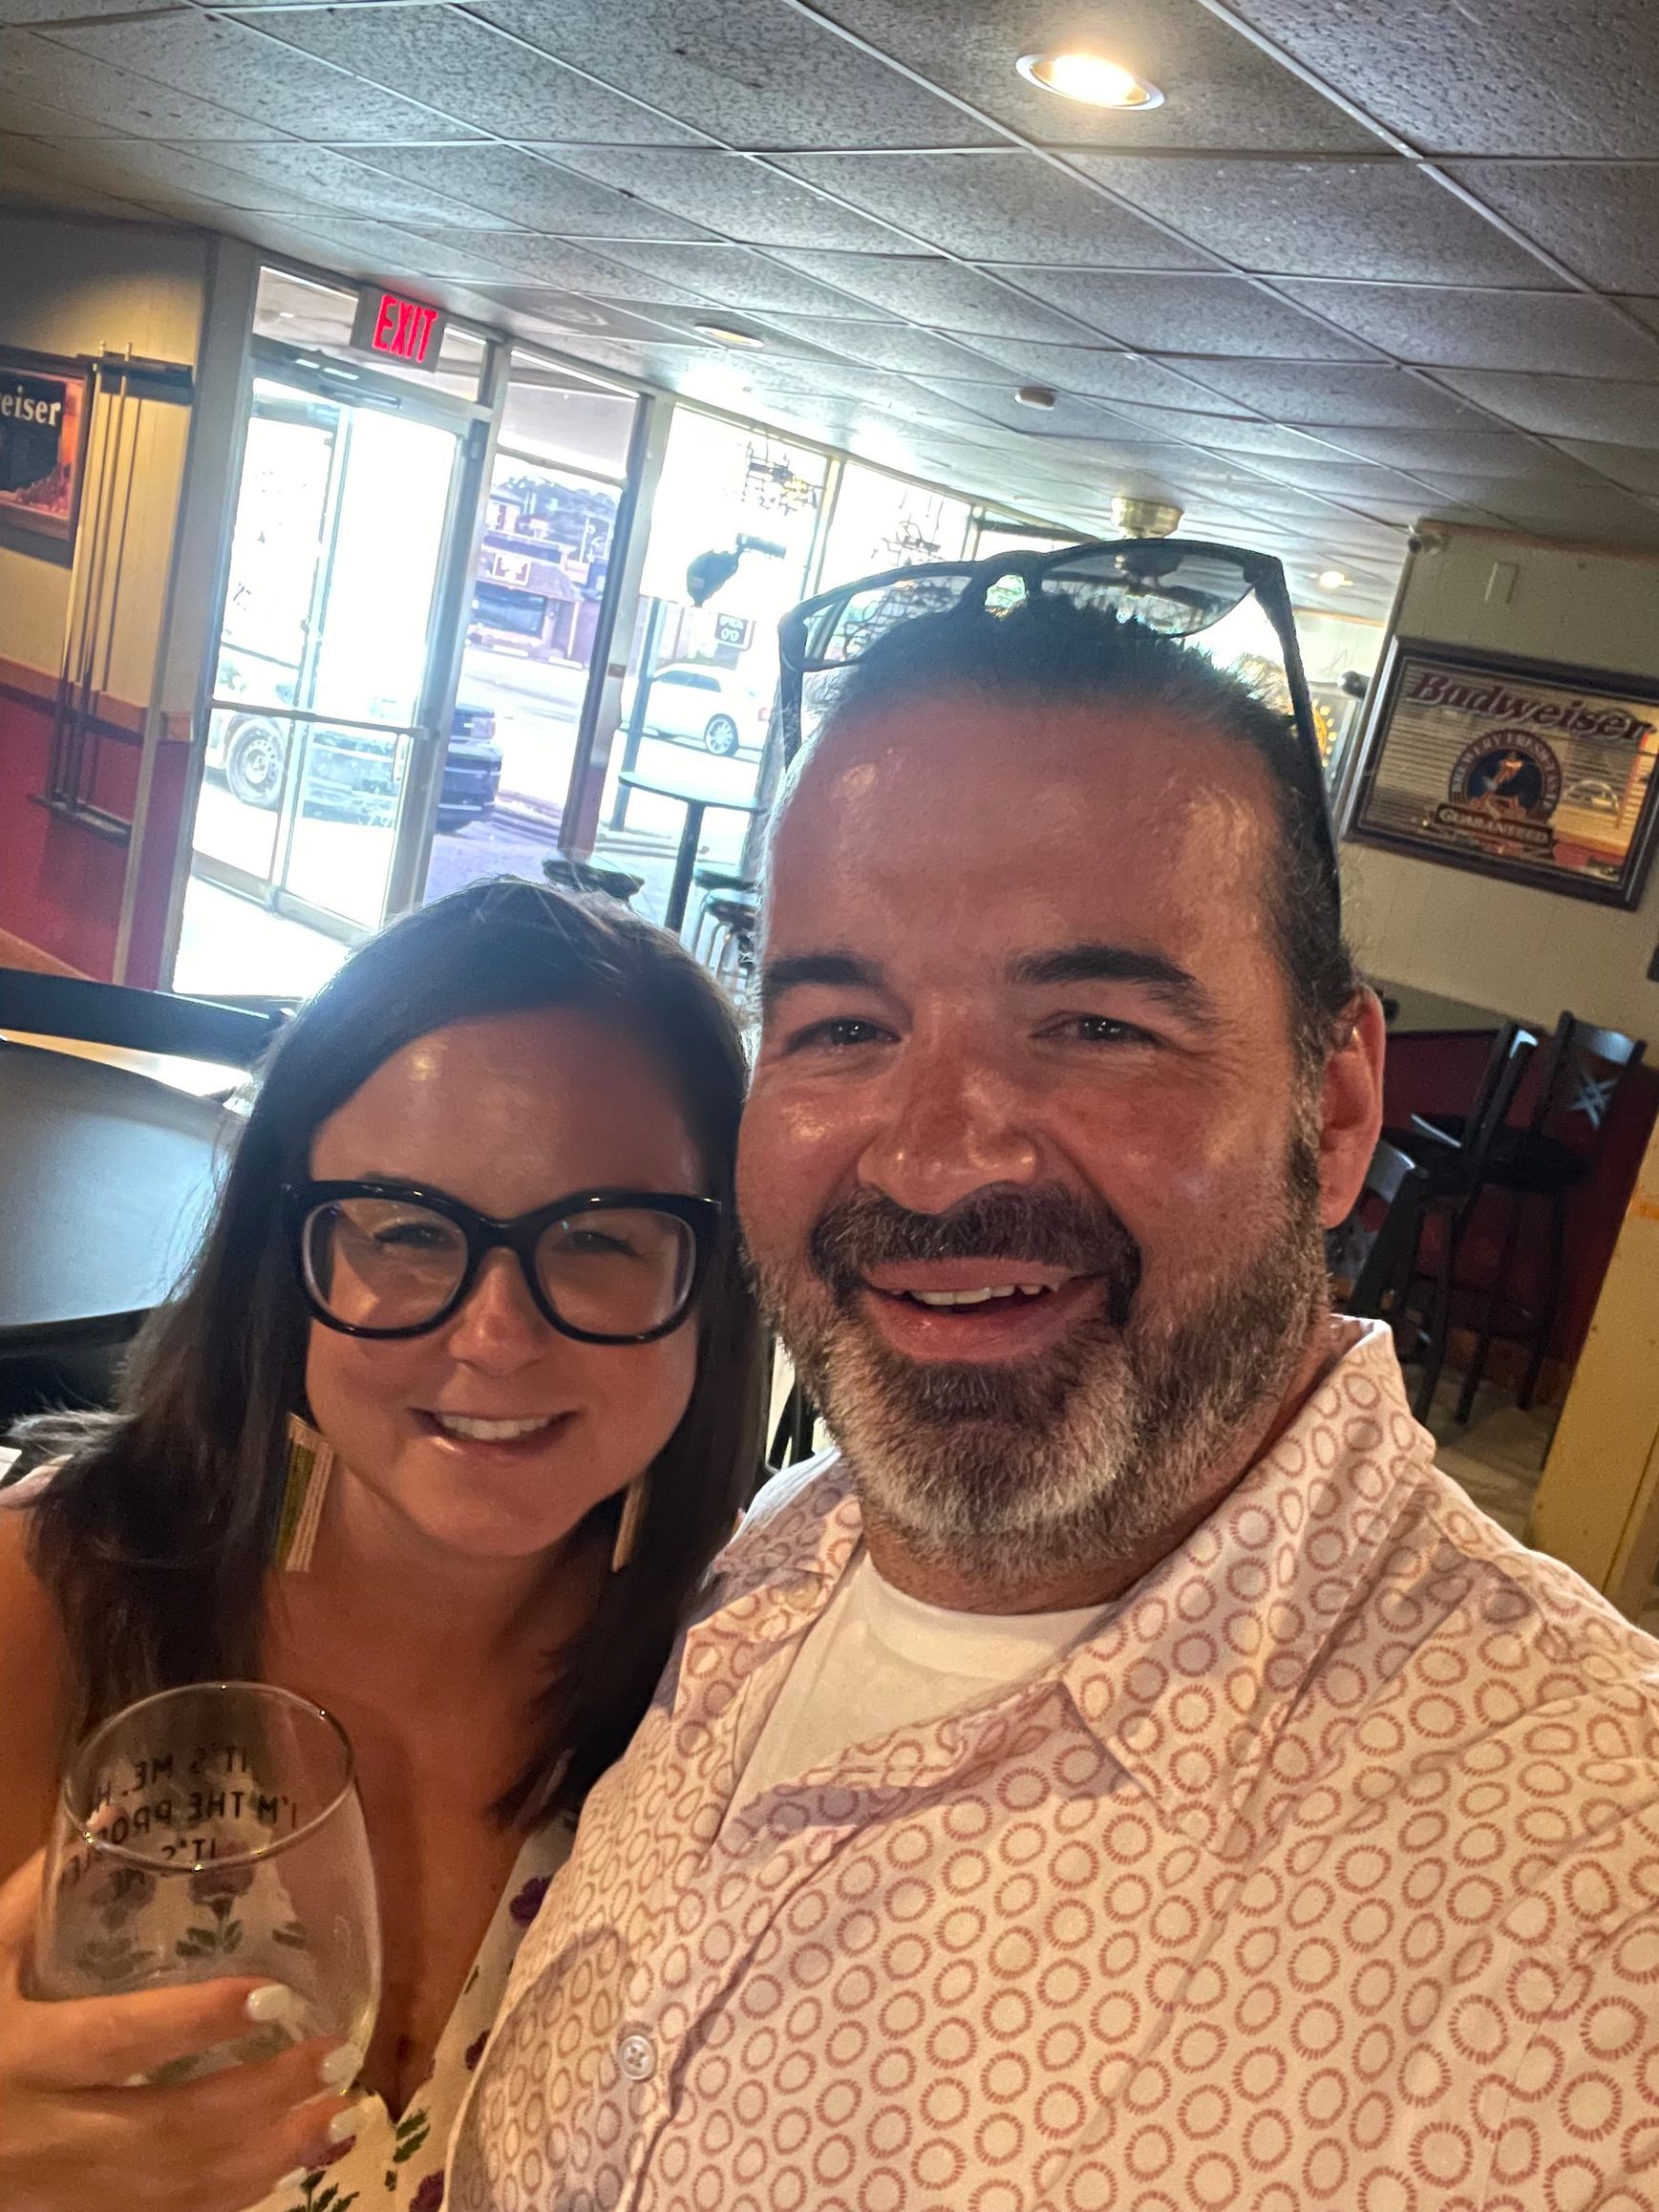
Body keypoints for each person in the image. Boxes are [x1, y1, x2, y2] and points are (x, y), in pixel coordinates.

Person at [453, 589, 1659, 2210]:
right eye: (841, 1026)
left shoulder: (1598, 1916)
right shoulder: (769, 1553)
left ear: (1340, 1105)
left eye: (1094, 1026)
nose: (936, 1155)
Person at [0, 878, 763, 2212]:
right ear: (280, 1257)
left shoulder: (738, 1699)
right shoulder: (44, 1609)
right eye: (409, 1231)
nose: (495, 1334)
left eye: (597, 1239)